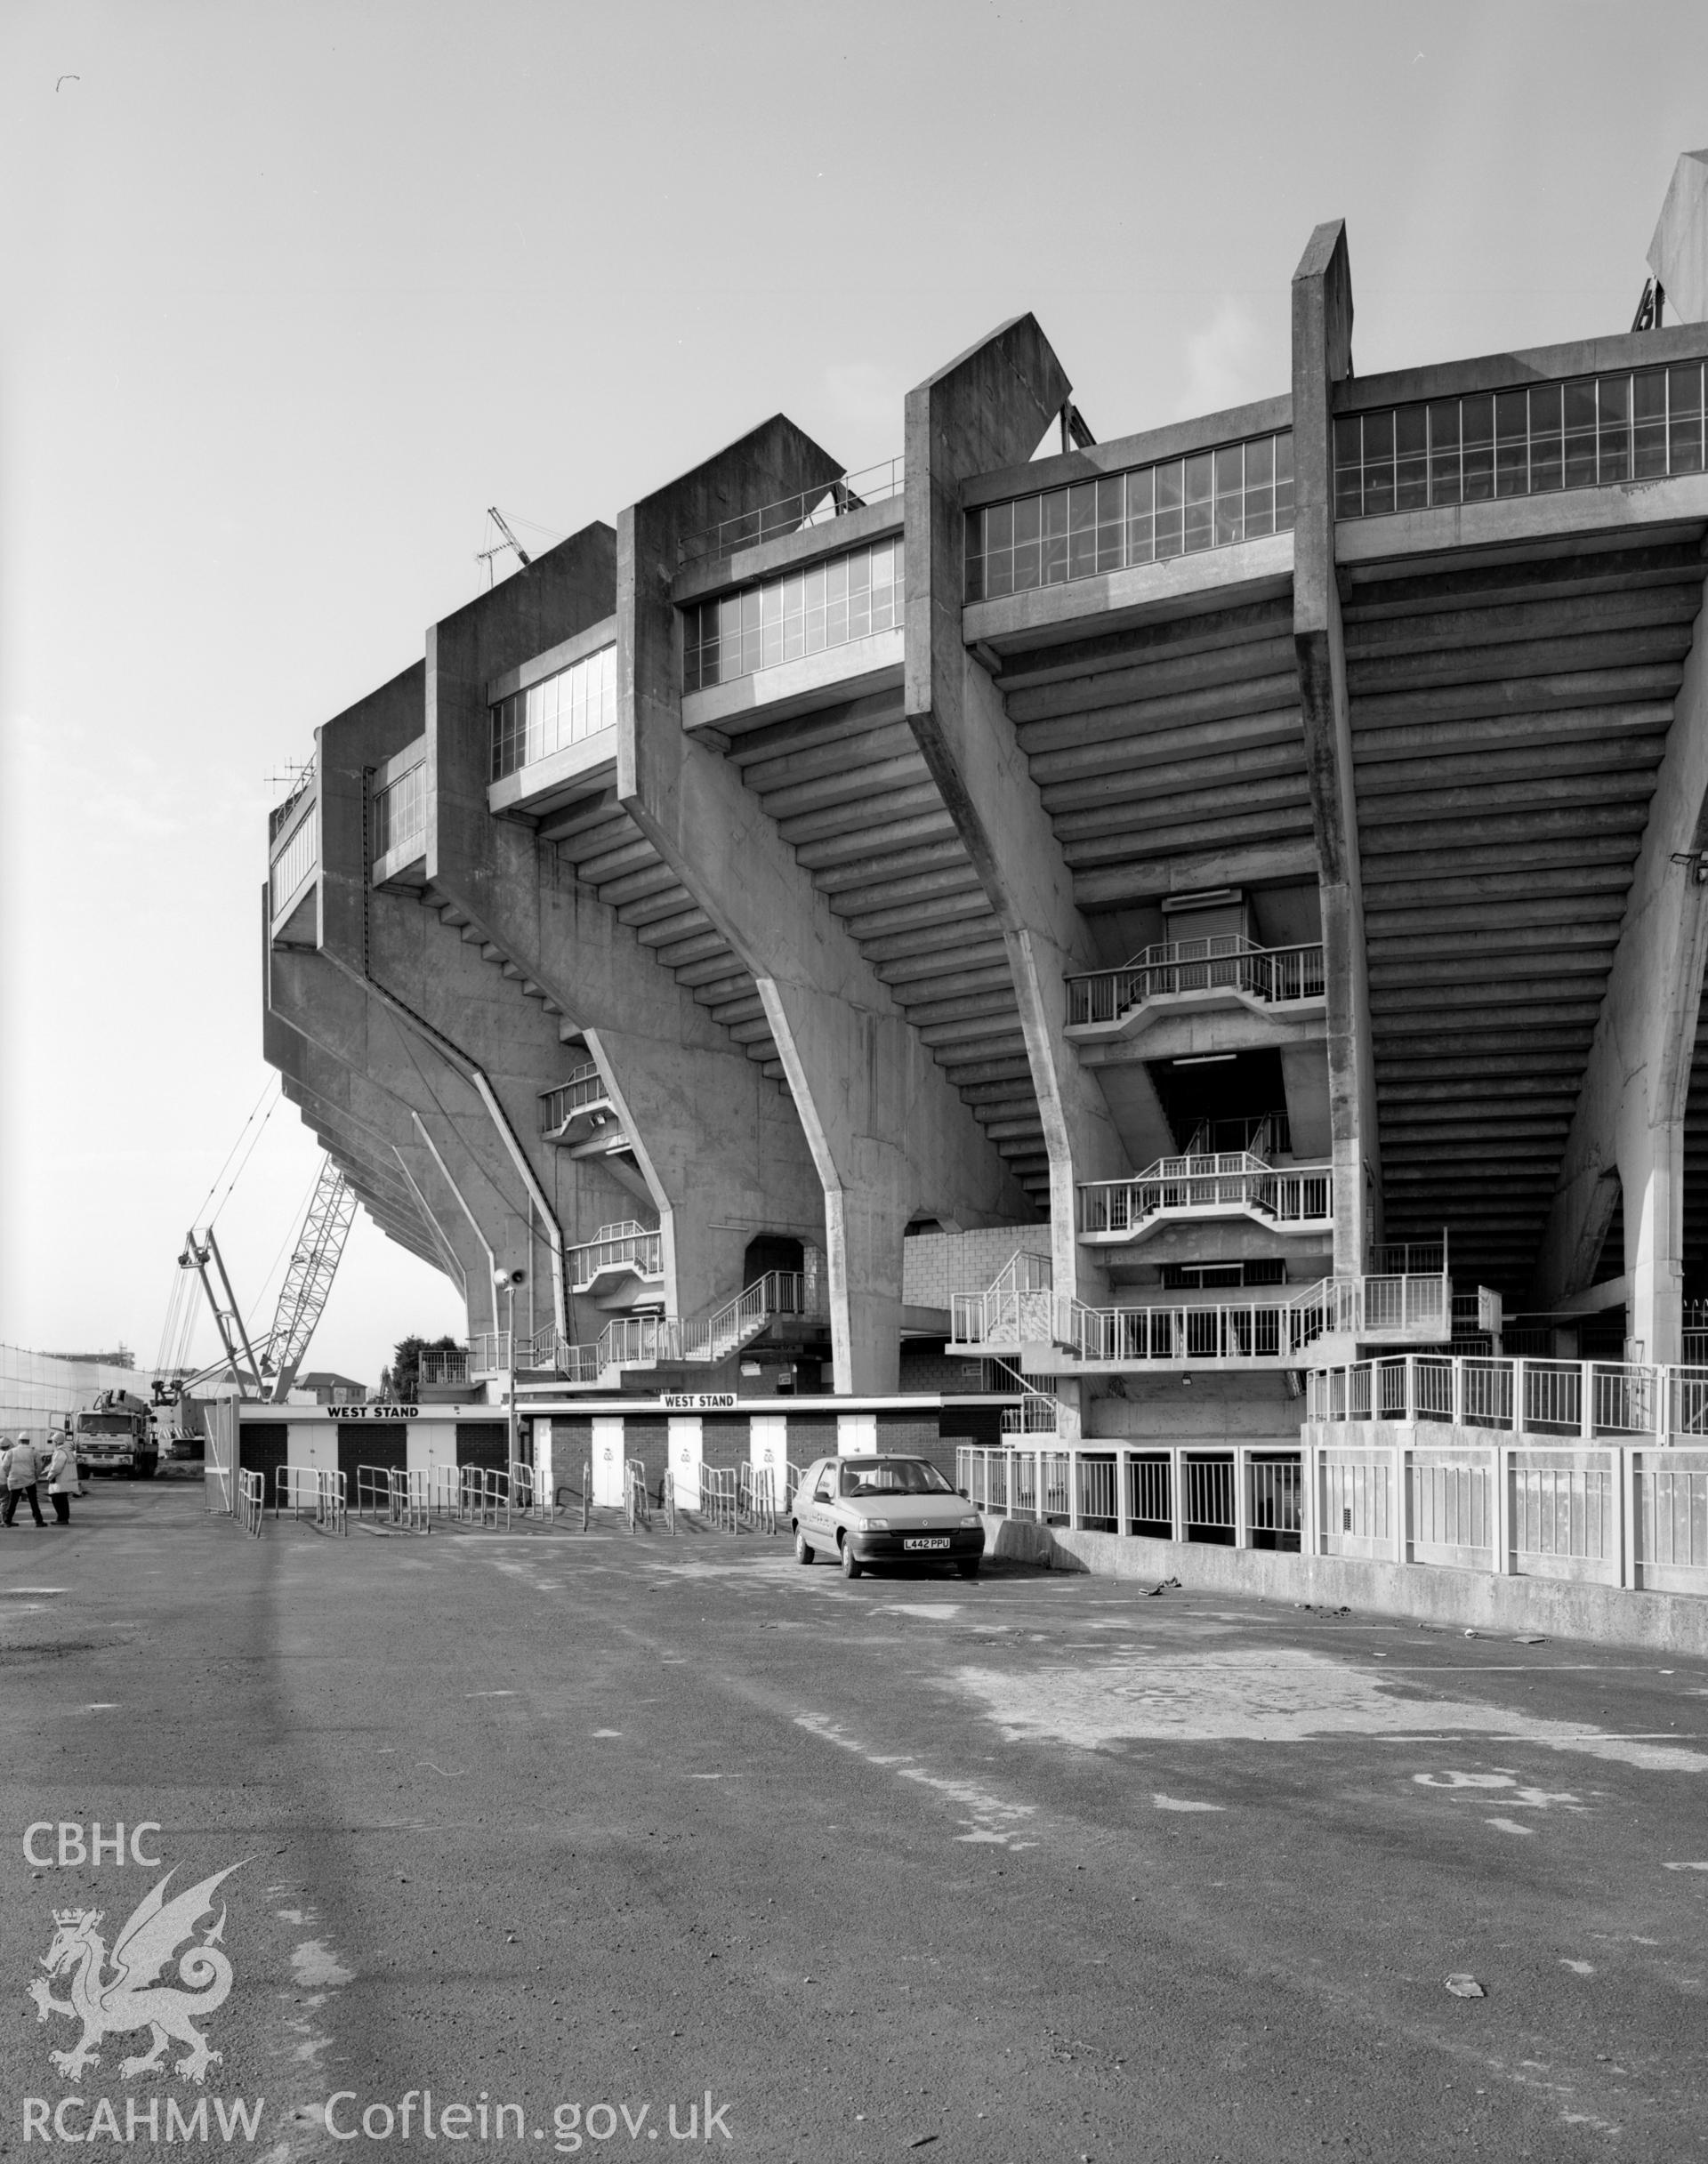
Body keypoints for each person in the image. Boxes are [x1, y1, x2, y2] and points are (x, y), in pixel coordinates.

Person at [3, 1433, 46, 1527]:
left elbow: (5, 1466)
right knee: (33, 1501)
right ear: (28, 1441)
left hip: (15, 1479)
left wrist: (9, 1474)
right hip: (29, 1479)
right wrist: (36, 1476)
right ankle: (39, 1521)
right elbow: (39, 1466)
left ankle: (7, 1520)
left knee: (13, 1501)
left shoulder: (11, 1452)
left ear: (19, 1441)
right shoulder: (34, 1452)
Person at [44, 1430, 79, 1526]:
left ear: (55, 1442)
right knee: (63, 1500)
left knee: (56, 1500)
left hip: (60, 1482)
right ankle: (63, 1518)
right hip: (67, 1481)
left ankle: (62, 1518)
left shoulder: (59, 1452)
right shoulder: (68, 1452)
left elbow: (56, 1468)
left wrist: (49, 1476)